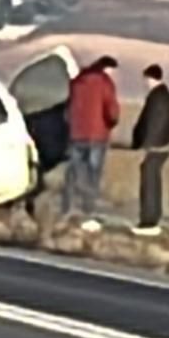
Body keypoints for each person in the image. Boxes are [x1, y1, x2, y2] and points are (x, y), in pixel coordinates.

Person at [63, 55, 120, 229]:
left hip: (76, 134)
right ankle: (88, 212)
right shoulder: (105, 83)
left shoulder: (77, 82)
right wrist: (111, 123)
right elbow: (112, 111)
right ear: (106, 69)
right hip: (96, 136)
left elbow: (68, 109)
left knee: (73, 172)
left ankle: (67, 208)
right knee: (92, 175)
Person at [129, 63, 169, 236]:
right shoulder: (163, 96)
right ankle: (150, 218)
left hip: (156, 147)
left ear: (150, 78)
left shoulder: (158, 97)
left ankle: (149, 221)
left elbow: (153, 123)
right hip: (159, 146)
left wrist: (147, 145)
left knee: (150, 183)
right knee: (151, 180)